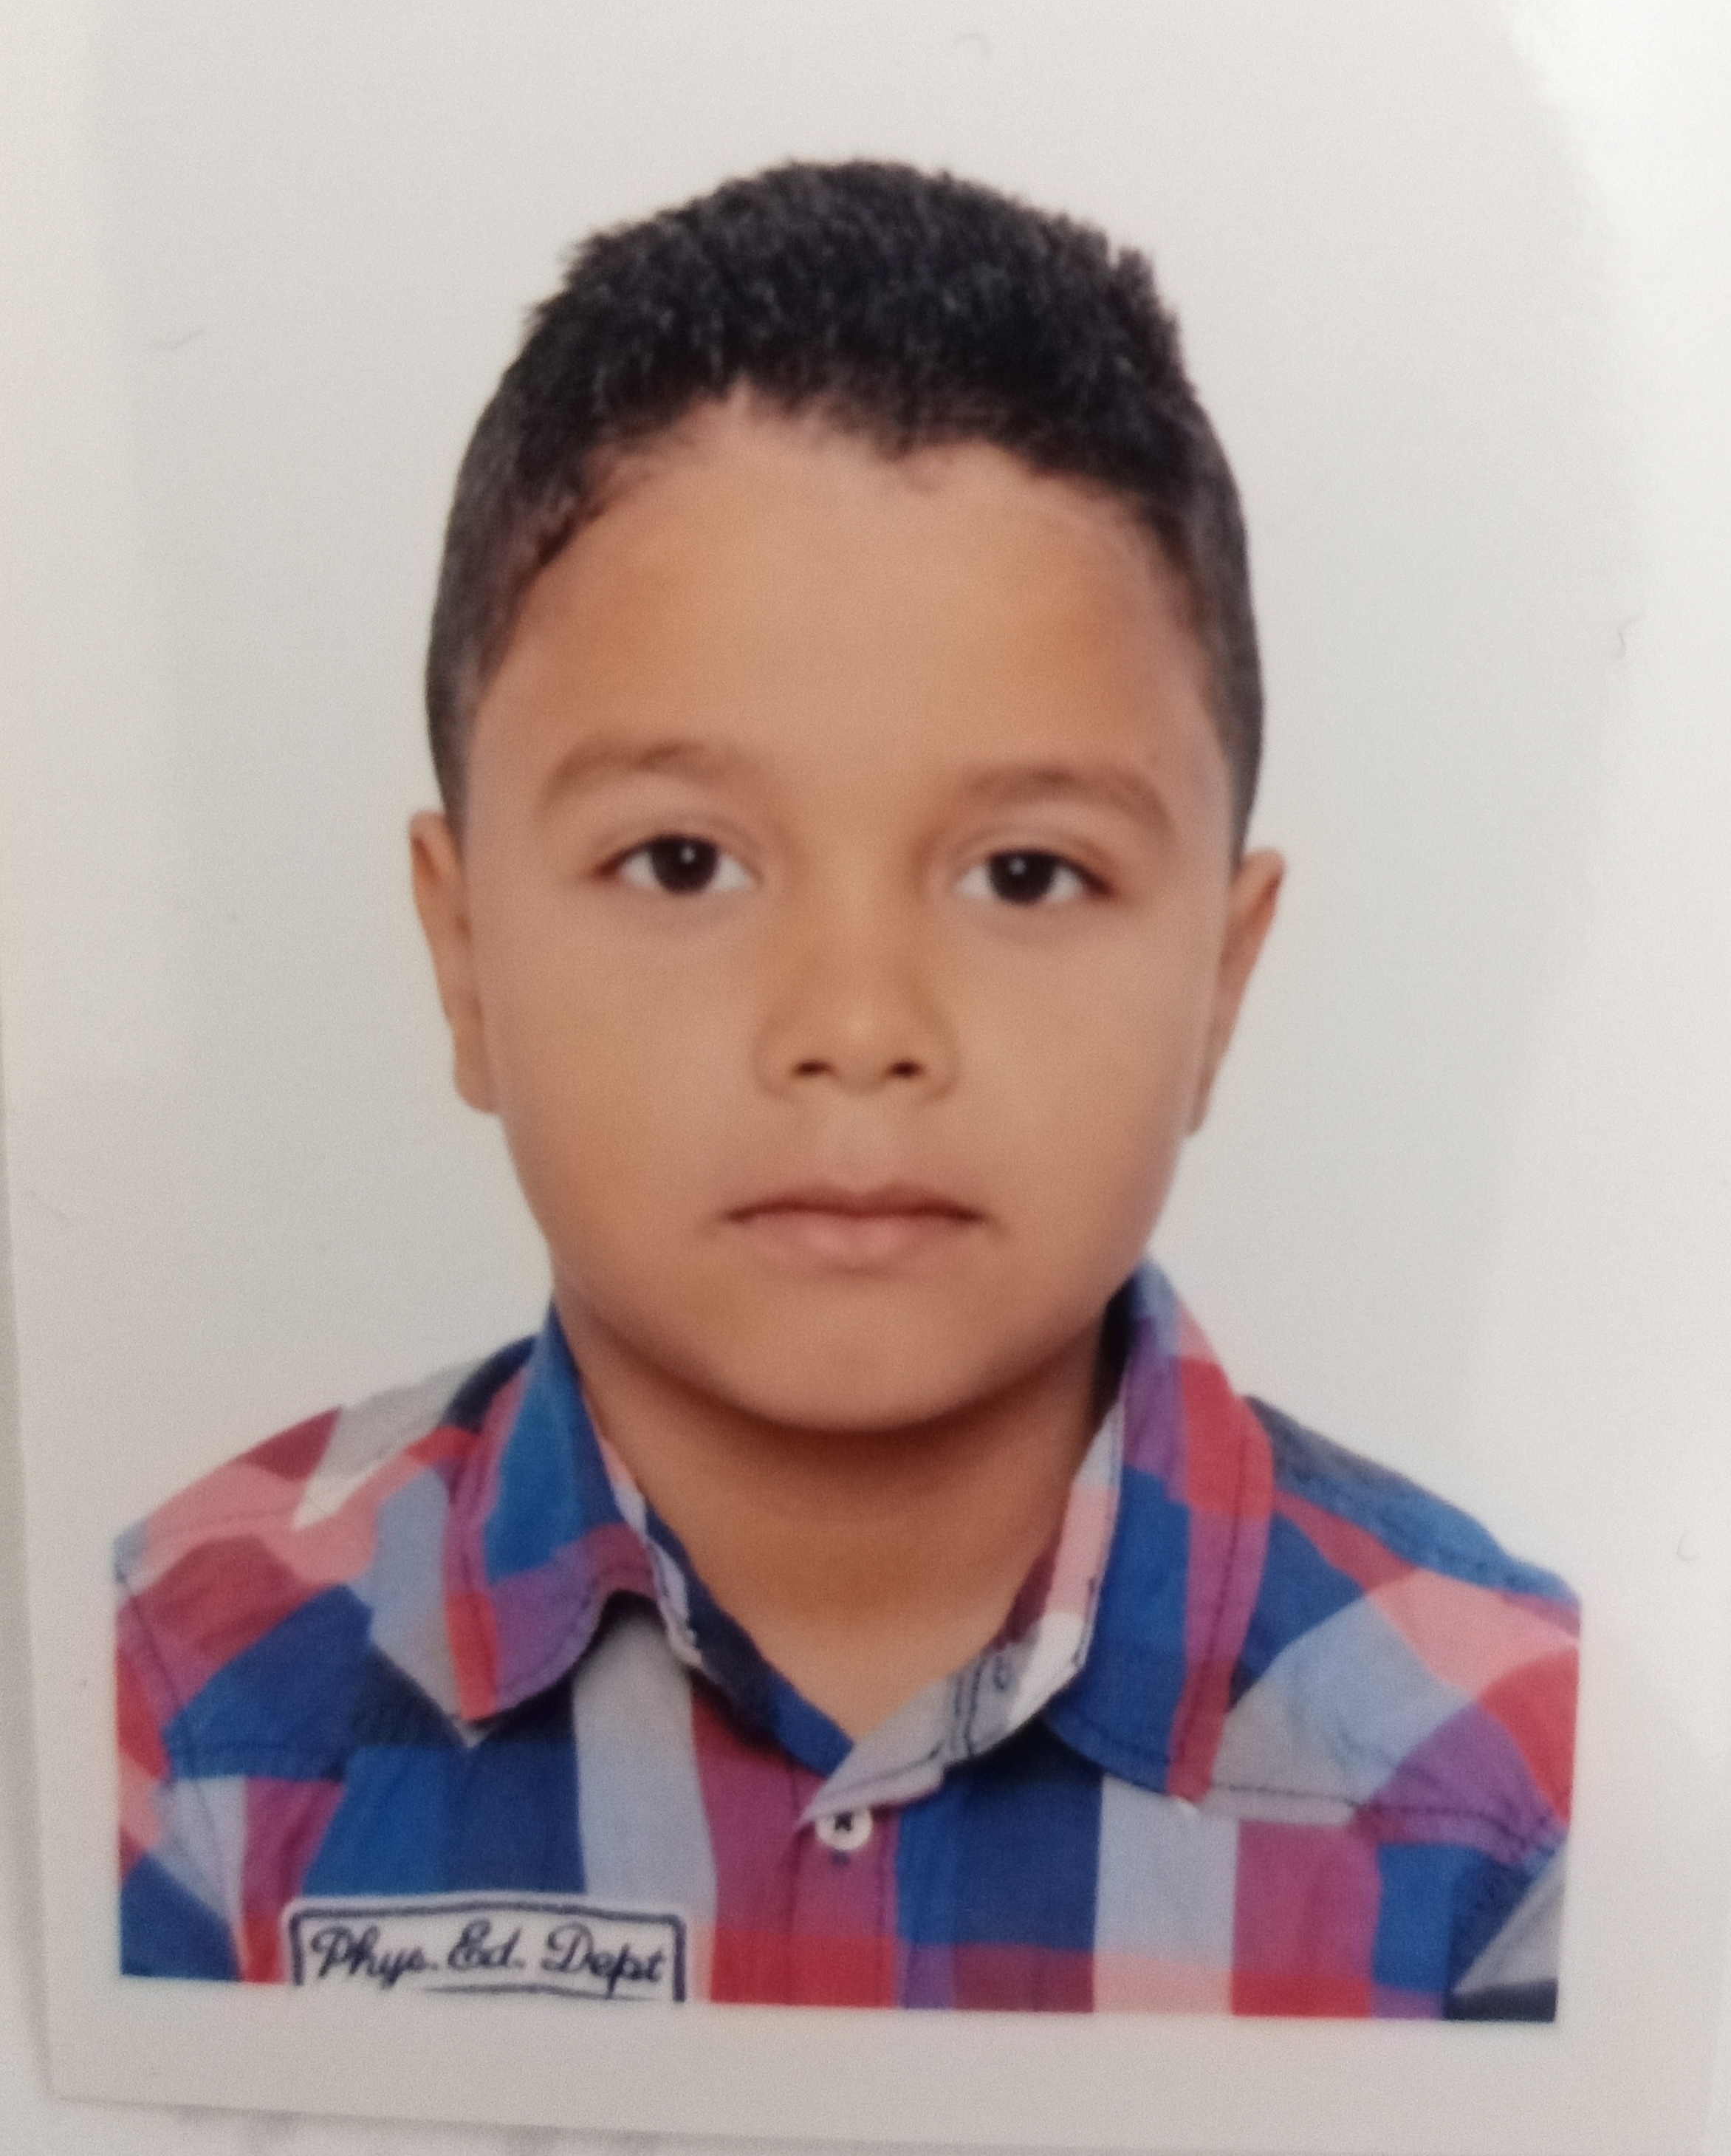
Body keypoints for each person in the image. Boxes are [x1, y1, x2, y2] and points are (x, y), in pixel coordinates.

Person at [115, 161, 1577, 2015]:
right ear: (462, 950)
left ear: (1219, 981)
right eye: (682, 861)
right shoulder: (169, 1709)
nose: (857, 1021)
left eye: (1024, 873)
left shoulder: (1514, 1785)